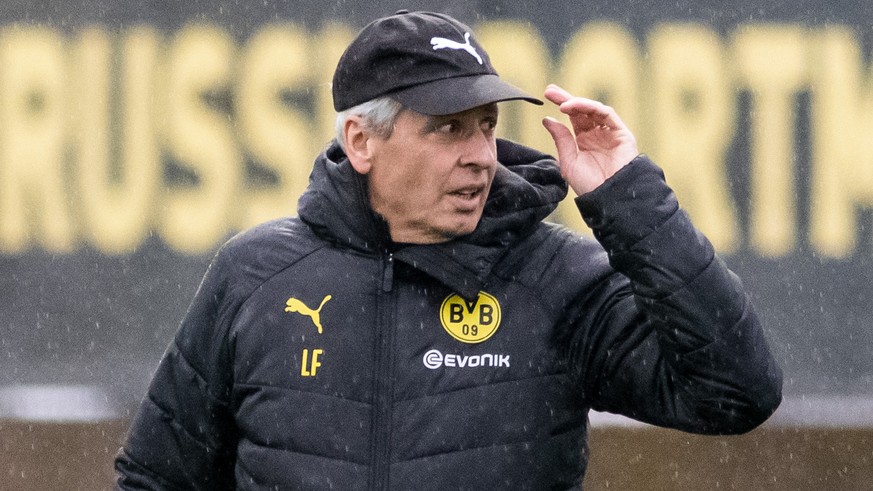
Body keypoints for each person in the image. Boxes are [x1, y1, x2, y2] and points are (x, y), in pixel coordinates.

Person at [115, 10, 782, 490]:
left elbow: (735, 393)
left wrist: (629, 198)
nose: (478, 156)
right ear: (361, 141)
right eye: (446, 129)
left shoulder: (556, 277)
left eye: (486, 127)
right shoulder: (255, 274)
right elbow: (156, 476)